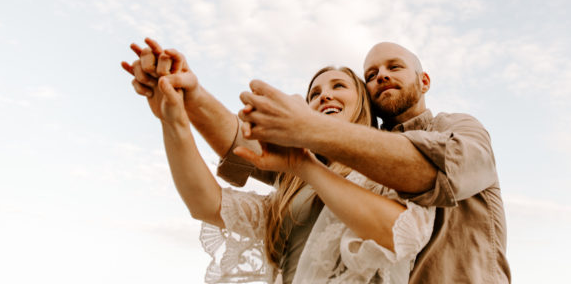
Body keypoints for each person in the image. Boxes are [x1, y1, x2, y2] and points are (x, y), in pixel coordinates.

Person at [125, 39, 511, 283]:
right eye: (371, 74)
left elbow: (434, 172)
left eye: (395, 67)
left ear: (424, 81)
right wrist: (184, 98)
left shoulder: (456, 128)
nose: (382, 77)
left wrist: (306, 130)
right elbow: (241, 147)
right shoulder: (321, 164)